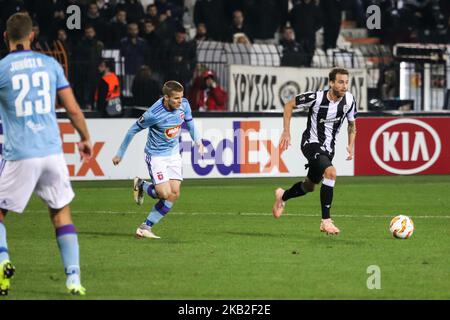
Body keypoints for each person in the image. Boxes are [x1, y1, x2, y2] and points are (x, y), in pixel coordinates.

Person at [0, 13, 92, 295]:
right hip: (52, 153)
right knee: (61, 214)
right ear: (32, 36)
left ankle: (3, 260)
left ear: (6, 37)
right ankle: (73, 279)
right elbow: (73, 109)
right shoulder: (50, 64)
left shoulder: (2, 68)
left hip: (21, 154)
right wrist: (85, 137)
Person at [112, 81, 204, 239]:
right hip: (156, 156)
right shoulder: (153, 114)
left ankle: (145, 227)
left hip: (174, 154)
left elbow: (190, 122)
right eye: (176, 98)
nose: (179, 101)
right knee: (164, 193)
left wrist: (198, 141)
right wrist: (120, 153)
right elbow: (132, 130)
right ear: (166, 97)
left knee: (174, 194)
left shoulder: (184, 105)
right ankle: (141, 184)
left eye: (181, 97)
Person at [272, 68, 357, 235]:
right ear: (331, 83)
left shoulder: (349, 100)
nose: (344, 86)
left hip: (328, 149)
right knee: (331, 173)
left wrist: (350, 144)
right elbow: (289, 105)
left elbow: (352, 125)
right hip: (310, 143)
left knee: (309, 186)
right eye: (340, 82)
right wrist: (286, 131)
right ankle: (326, 221)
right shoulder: (316, 98)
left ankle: (282, 196)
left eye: (346, 82)